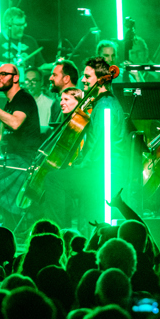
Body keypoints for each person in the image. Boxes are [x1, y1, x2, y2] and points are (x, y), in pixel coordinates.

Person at [38, 57, 124, 230]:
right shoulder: (103, 102)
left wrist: (80, 165)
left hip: (100, 172)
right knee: (62, 176)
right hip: (98, 169)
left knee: (53, 179)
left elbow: (97, 143)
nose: (83, 80)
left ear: (100, 80)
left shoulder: (104, 105)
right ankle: (69, 230)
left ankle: (58, 233)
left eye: (87, 76)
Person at [0, 63, 40, 226]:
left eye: (4, 74)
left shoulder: (23, 98)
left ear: (16, 78)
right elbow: (0, 134)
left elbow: (14, 123)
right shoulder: (10, 103)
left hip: (24, 160)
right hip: (11, 158)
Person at [0, 7, 46, 73]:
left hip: (26, 83)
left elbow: (41, 67)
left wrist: (54, 66)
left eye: (23, 24)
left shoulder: (30, 41)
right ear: (8, 25)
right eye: (18, 25)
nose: (22, 28)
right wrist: (6, 66)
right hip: (3, 82)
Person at [48, 59, 80, 125]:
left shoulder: (76, 102)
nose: (50, 78)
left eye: (54, 75)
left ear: (66, 79)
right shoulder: (56, 102)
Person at [23, 67, 54, 132]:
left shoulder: (50, 104)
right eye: (27, 80)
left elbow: (49, 130)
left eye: (34, 80)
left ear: (41, 82)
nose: (30, 84)